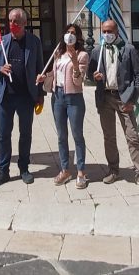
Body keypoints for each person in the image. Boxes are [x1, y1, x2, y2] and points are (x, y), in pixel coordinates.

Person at [89, 20, 139, 191]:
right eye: (103, 31)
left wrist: (132, 99)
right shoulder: (97, 50)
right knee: (109, 137)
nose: (106, 34)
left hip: (124, 98)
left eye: (109, 30)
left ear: (116, 31)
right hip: (105, 98)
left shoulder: (128, 49)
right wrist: (94, 77)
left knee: (132, 136)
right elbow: (89, 74)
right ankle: (113, 170)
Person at [0, 8, 45, 188]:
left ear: (24, 24)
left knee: (25, 134)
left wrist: (40, 93)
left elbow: (40, 69)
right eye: (10, 21)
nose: (12, 25)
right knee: (3, 135)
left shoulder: (34, 42)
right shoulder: (1, 42)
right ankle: (3, 170)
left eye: (16, 22)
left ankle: (24, 168)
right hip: (6, 97)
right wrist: (0, 70)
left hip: (26, 97)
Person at [36, 24, 90, 189]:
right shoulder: (58, 53)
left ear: (78, 37)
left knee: (77, 135)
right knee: (61, 136)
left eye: (73, 33)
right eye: (67, 32)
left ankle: (81, 172)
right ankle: (65, 169)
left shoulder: (82, 55)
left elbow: (78, 81)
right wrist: (44, 77)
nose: (69, 35)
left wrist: (74, 62)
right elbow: (55, 73)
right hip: (57, 97)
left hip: (74, 99)